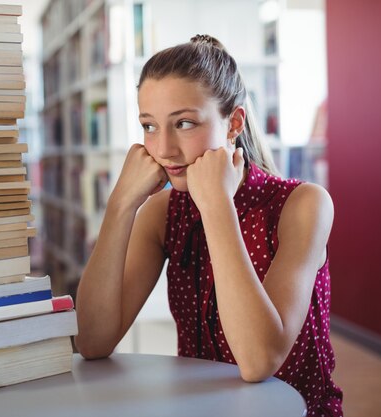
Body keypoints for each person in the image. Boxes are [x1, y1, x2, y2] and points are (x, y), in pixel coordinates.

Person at [74, 34, 343, 416]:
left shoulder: (303, 205)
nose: (163, 148)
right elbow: (91, 341)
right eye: (149, 126)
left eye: (183, 123)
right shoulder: (162, 212)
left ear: (233, 123)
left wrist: (216, 205)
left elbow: (258, 360)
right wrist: (121, 205)